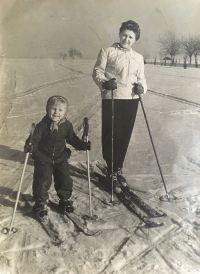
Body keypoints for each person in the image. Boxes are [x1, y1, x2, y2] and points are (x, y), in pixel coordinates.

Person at [93, 20, 147, 193]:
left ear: (135, 39)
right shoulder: (108, 51)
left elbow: (142, 78)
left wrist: (142, 88)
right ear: (120, 34)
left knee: (124, 134)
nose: (127, 39)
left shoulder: (138, 58)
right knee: (112, 134)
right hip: (112, 96)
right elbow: (97, 72)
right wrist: (105, 83)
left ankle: (118, 169)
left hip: (131, 99)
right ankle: (111, 170)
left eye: (131, 37)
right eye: (124, 35)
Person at [24, 95, 91, 217]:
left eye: (60, 110)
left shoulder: (66, 125)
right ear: (47, 109)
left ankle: (64, 199)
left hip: (60, 157)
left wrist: (82, 145)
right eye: (53, 109)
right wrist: (31, 146)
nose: (56, 113)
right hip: (44, 158)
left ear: (65, 112)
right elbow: (35, 139)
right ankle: (40, 202)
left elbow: (71, 138)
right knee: (42, 179)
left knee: (64, 178)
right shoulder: (42, 125)